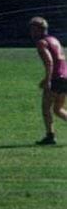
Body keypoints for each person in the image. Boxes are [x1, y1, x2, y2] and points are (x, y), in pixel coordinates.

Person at [29, 16, 67, 145]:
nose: (31, 32)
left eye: (33, 29)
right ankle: (50, 136)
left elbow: (49, 62)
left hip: (55, 78)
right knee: (58, 109)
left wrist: (47, 79)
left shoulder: (42, 43)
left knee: (46, 108)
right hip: (65, 77)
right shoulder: (54, 39)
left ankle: (50, 136)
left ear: (40, 29)